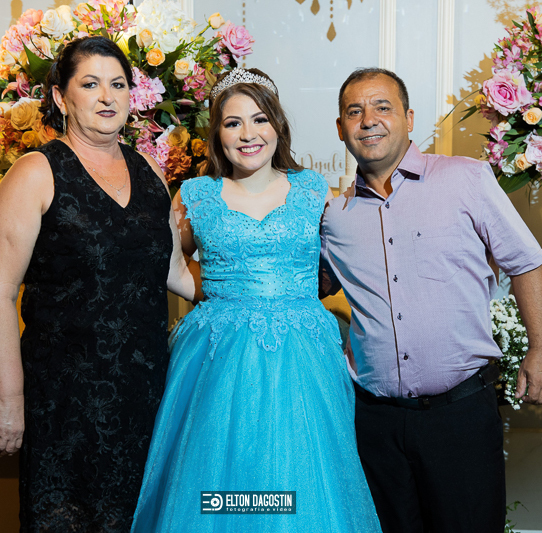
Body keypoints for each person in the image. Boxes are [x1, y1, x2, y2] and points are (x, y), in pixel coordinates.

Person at [130, 68, 382, 533]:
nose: (248, 134)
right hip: (218, 356)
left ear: (277, 126)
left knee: (302, 472)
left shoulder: (313, 190)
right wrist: (224, 296)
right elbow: (169, 267)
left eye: (260, 119)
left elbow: (350, 262)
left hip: (304, 356)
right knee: (217, 476)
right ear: (217, 133)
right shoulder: (196, 195)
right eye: (233, 123)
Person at [319, 67, 542, 533]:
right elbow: (307, 285)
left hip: (460, 417)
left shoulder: (465, 178)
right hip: (374, 422)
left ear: (409, 118)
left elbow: (526, 263)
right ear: (341, 128)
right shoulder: (334, 216)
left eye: (383, 107)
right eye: (355, 111)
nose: (369, 120)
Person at [0, 36, 194, 532]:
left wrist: (258, 282)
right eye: (90, 84)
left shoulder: (149, 171)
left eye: (117, 85)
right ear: (61, 97)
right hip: (64, 402)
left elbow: (174, 273)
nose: (107, 97)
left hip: (144, 396)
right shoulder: (36, 172)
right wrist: (9, 402)